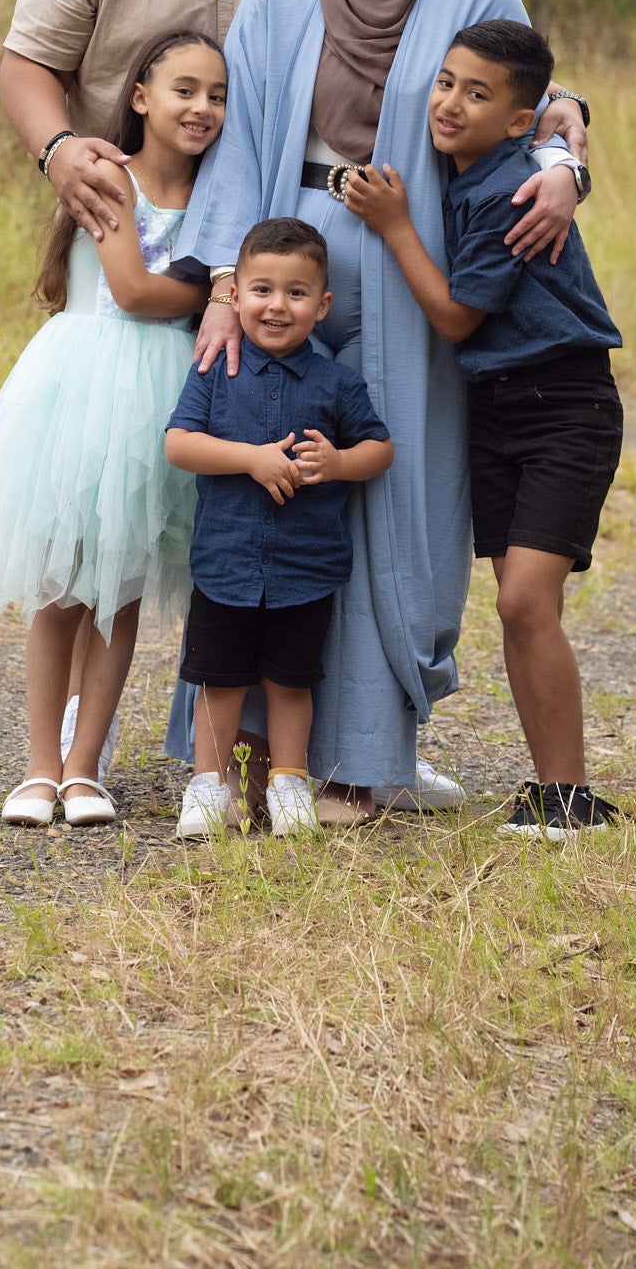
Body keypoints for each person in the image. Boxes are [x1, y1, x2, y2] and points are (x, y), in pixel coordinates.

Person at [166, 0, 590, 822]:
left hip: (421, 259)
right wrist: (226, 286)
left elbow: (528, 105)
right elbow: (231, 151)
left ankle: (365, 753)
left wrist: (570, 159)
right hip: (287, 254)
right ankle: (250, 751)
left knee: (400, 495)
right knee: (264, 488)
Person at [0, 0, 328, 778]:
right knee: (112, 526)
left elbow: (451, 22)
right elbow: (29, 60)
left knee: (275, 493)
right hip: (128, 240)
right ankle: (68, 758)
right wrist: (59, 151)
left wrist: (556, 116)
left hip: (292, 268)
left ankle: (271, 737)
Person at [343, 20, 624, 839]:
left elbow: (459, 318)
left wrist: (394, 225)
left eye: (477, 93)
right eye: (445, 82)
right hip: (495, 411)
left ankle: (573, 800)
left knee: (524, 597)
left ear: (515, 119)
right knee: (518, 608)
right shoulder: (465, 168)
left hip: (563, 405)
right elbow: (556, 120)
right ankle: (553, 792)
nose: (450, 103)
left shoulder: (513, 188)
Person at [0, 31, 227, 827]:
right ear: (141, 96)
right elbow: (135, 290)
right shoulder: (106, 176)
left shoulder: (219, 193)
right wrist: (224, 290)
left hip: (161, 402)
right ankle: (38, 767)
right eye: (184, 89)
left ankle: (85, 769)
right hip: (84, 393)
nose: (202, 108)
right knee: (60, 588)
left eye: (217, 96)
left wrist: (227, 283)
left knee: (120, 593)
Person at [165, 219, 394, 840]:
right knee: (220, 680)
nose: (277, 306)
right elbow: (179, 444)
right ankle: (209, 786)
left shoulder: (337, 382)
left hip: (305, 563)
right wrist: (251, 458)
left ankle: (288, 782)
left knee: (291, 680)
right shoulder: (216, 370)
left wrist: (340, 464)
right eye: (262, 289)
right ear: (234, 295)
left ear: (321, 308)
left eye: (296, 293)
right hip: (226, 560)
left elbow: (380, 448)